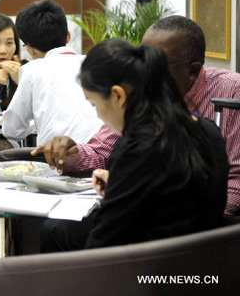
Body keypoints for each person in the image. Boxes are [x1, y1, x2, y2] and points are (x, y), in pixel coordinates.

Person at [41, 16, 240, 217]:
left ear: (192, 71)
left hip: (204, 224)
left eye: (156, 65)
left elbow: (236, 181)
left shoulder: (230, 92)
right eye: (141, 61)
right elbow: (102, 154)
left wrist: (176, 210)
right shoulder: (140, 90)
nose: (144, 73)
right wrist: (74, 154)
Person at [73, 39, 227, 249]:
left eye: (94, 104)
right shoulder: (208, 130)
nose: (98, 115)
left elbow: (101, 244)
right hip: (206, 265)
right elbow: (178, 197)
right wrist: (121, 185)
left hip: (150, 271)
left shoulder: (137, 147)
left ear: (118, 95)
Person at [2, 0, 103, 145]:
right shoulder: (95, 63)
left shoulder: (32, 70)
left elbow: (12, 130)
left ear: (30, 49)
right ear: (68, 36)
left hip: (58, 161)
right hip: (104, 157)